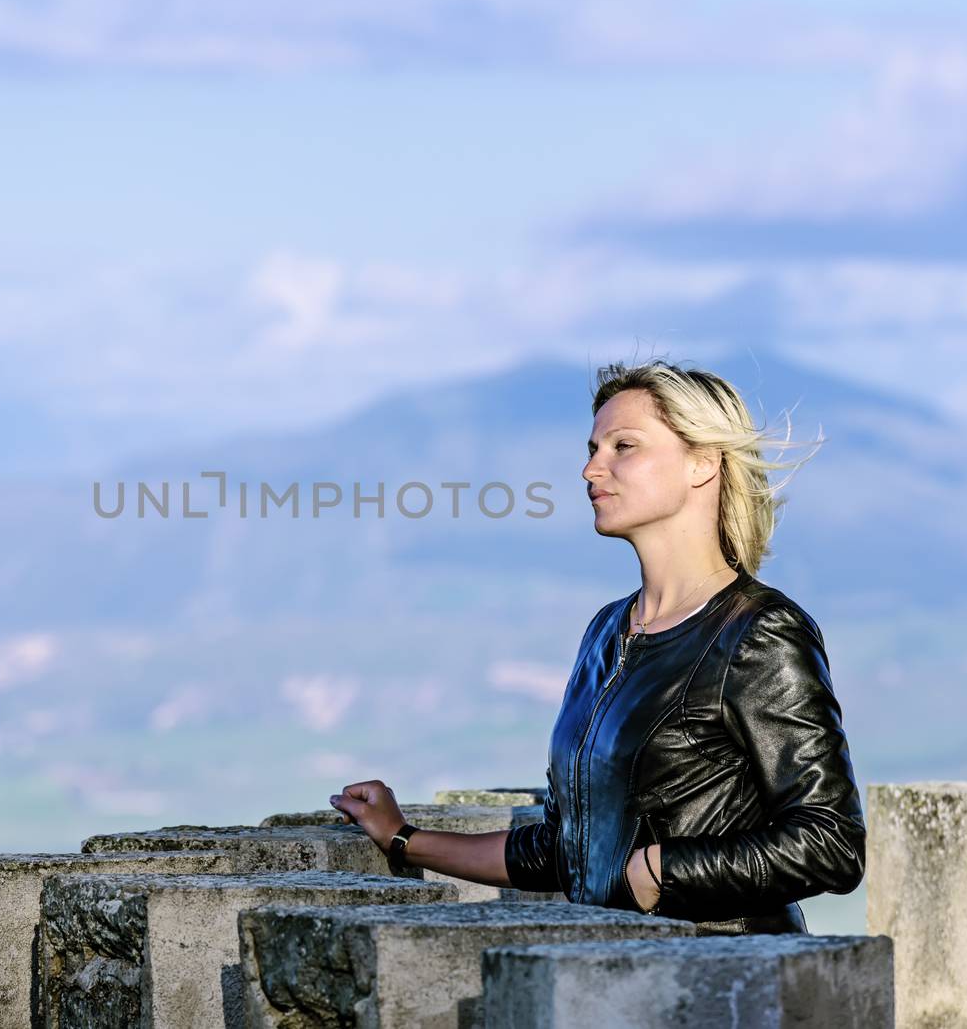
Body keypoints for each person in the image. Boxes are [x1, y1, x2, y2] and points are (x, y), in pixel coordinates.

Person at [329, 359, 866, 933]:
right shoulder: (607, 633)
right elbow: (569, 850)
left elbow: (833, 842)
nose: (591, 469)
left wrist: (666, 869)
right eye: (593, 448)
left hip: (727, 982)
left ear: (703, 464)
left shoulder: (760, 632)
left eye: (623, 446)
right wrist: (404, 838)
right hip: (612, 980)